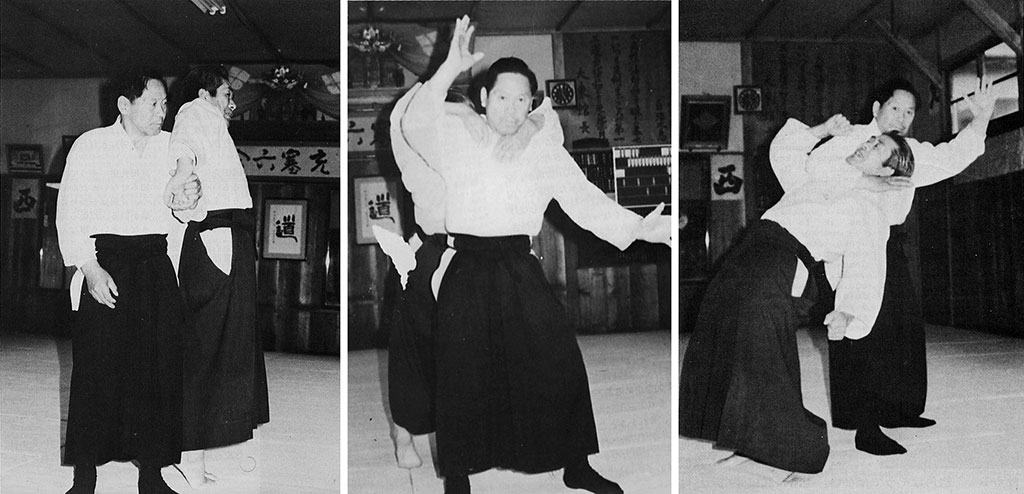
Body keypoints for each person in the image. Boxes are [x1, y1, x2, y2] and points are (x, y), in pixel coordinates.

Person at [393, 15, 671, 494]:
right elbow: (413, 122)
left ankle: (576, 465)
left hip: (520, 264)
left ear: (532, 103)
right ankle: (457, 477)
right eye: (502, 98)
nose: (512, 109)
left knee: (558, 359)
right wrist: (449, 67)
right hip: (466, 264)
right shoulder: (457, 137)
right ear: (484, 98)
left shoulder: (541, 149)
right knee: (461, 372)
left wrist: (639, 227)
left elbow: (582, 198)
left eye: (522, 100)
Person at [679, 116, 916, 475]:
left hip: (784, 261)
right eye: (871, 140)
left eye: (878, 146)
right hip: (752, 247)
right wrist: (822, 131)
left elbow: (867, 263)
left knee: (764, 351)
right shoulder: (825, 175)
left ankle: (796, 452)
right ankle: (747, 441)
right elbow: (784, 152)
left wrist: (849, 312)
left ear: (887, 171)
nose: (867, 143)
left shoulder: (868, 209)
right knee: (726, 334)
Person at [804, 78, 995, 456]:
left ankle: (898, 409)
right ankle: (863, 424)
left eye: (909, 112)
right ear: (877, 109)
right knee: (857, 329)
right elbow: (817, 170)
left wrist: (982, 119)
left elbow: (951, 157)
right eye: (895, 109)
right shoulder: (852, 140)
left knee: (902, 326)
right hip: (848, 242)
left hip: (887, 241)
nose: (902, 118)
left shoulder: (908, 151)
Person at [385, 85, 550, 469]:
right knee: (415, 350)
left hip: (480, 254)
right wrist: (453, 108)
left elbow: (543, 114)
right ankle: (403, 432)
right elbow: (400, 117)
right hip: (429, 254)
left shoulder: (483, 149)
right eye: (448, 120)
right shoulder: (417, 152)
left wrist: (528, 126)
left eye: (463, 120)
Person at [56, 68, 201, 494]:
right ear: (125, 104)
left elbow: (190, 208)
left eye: (165, 104)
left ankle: (151, 475)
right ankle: (85, 476)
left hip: (155, 265)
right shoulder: (90, 146)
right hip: (107, 264)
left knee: (157, 371)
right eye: (153, 103)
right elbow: (70, 211)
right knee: (96, 371)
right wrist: (88, 268)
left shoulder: (172, 148)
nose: (162, 112)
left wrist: (190, 199)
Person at [164, 64, 270, 486]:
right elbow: (184, 151)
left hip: (229, 241)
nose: (232, 102)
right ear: (204, 94)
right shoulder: (194, 113)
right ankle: (189, 458)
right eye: (226, 93)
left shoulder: (214, 126)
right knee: (205, 353)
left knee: (225, 352)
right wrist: (181, 175)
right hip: (216, 240)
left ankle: (204, 450)